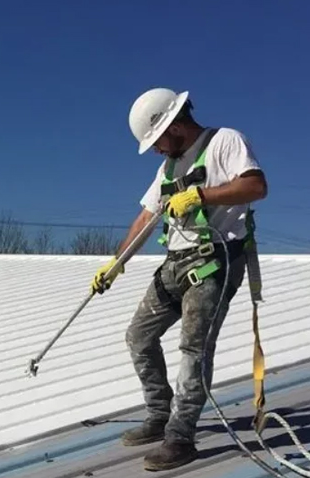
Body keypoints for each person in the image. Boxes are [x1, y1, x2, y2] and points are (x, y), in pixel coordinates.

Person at [90, 88, 268, 471]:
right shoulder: (167, 167)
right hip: (176, 262)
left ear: (174, 124)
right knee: (139, 335)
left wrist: (201, 195)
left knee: (193, 350)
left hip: (214, 262)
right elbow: (146, 217)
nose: (156, 150)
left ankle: (180, 437)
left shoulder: (225, 141)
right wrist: (116, 262)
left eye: (157, 141)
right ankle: (159, 413)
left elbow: (256, 186)